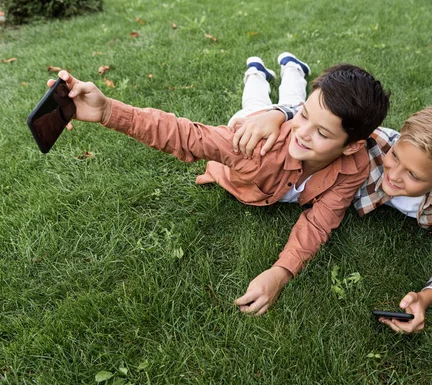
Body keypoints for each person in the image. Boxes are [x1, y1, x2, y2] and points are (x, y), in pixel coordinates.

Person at [47, 53, 390, 316]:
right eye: (304, 116)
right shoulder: (253, 147)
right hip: (249, 128)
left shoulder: (354, 165)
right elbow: (184, 135)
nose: (303, 133)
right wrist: (108, 110)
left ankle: (292, 68)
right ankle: (256, 71)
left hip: (279, 123)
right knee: (253, 104)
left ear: (352, 145)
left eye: (322, 132)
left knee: (278, 106)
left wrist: (280, 272)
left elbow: (320, 221)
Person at [231, 63, 432, 331]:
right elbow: (328, 119)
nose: (394, 174)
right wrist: (276, 113)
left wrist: (425, 298)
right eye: (395, 157)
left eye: (414, 176)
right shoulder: (380, 143)